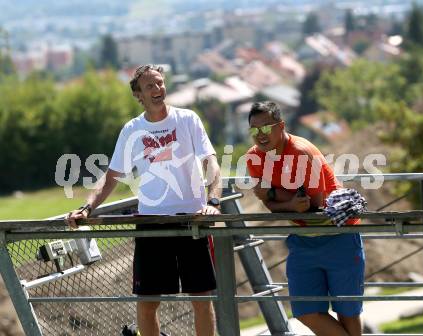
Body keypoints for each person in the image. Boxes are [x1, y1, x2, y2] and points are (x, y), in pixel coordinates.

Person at [65, 64, 222, 336]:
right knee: (147, 303)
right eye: (150, 86)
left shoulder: (187, 119)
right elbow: (111, 177)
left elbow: (211, 162)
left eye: (160, 83)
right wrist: (86, 208)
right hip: (151, 223)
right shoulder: (131, 130)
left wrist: (214, 201)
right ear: (138, 94)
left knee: (201, 299)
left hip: (192, 219)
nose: (158, 89)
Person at [245, 101, 364, 336]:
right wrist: (287, 202)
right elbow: (272, 207)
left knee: (347, 312)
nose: (261, 135)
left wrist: (273, 193)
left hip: (338, 234)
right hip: (302, 239)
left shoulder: (301, 152)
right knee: (305, 311)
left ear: (281, 126)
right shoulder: (253, 158)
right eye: (254, 129)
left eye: (267, 127)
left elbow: (312, 207)